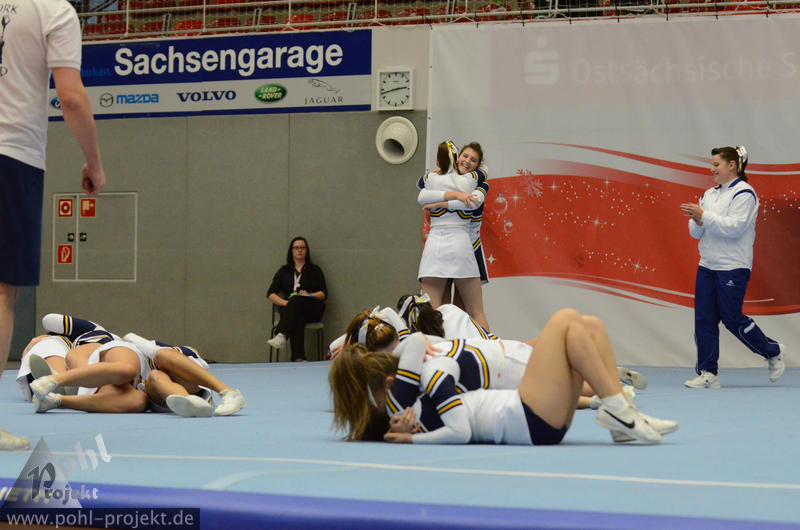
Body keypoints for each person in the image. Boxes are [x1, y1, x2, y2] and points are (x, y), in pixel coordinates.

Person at [330, 309, 678, 445]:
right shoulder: (402, 399)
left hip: (531, 415)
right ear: (391, 382)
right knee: (565, 321)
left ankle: (621, 419)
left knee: (590, 325)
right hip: (527, 417)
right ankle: (618, 408)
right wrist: (409, 438)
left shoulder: (407, 400)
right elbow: (417, 341)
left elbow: (416, 343)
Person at [0, 0, 105, 449]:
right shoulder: (53, 10)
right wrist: (94, 163)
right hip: (11, 155)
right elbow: (72, 97)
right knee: (2, 291)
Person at [680, 146, 785, 389]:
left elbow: (734, 228)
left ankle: (773, 350)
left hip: (733, 265)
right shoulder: (709, 194)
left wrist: (704, 216)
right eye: (712, 164)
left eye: (716, 164)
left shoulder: (745, 193)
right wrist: (697, 221)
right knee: (704, 319)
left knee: (731, 318)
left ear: (732, 165)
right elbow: (696, 232)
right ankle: (708, 373)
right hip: (707, 265)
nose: (712, 169)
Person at [416, 141, 490, 330]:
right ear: (457, 157)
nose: (468, 161)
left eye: (473, 160)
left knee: (434, 314)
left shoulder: (433, 179)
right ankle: (487, 347)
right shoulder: (474, 180)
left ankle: (434, 347)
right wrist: (456, 195)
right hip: (459, 247)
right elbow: (473, 196)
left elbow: (421, 191)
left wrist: (440, 203)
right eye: (465, 156)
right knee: (473, 312)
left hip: (439, 247)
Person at [266, 236, 327, 361]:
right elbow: (271, 294)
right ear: (291, 251)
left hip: (312, 308)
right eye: (296, 248)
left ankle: (282, 334)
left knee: (298, 300)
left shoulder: (315, 270)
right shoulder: (284, 271)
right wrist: (286, 303)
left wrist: (309, 294)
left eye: (302, 247)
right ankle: (299, 358)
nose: (299, 250)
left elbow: (323, 293)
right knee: (297, 314)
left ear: (306, 250)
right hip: (291, 309)